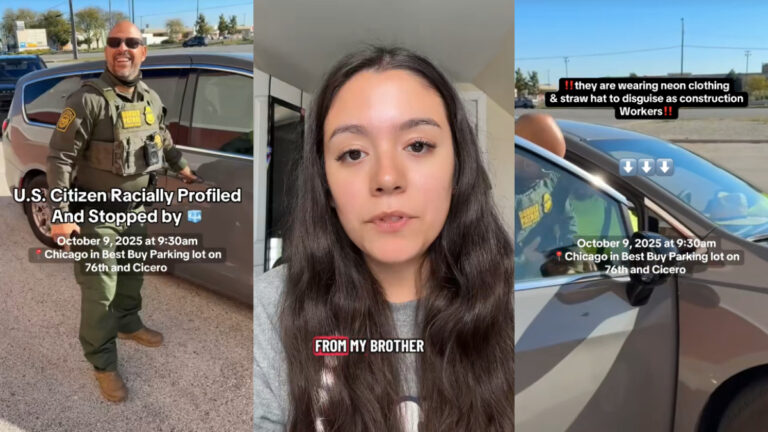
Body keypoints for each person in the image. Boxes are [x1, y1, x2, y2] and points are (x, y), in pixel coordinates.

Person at [254, 46, 515, 432]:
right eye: (354, 153)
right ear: (325, 184)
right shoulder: (271, 306)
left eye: (418, 145)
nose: (387, 177)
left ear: (458, 167)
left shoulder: (518, 299)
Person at [46, 20, 196, 402]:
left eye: (132, 42)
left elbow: (162, 138)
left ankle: (129, 324)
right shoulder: (87, 99)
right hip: (97, 217)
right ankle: (102, 362)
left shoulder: (150, 99)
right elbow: (60, 157)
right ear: (106, 51)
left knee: (131, 278)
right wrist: (61, 213)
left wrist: (180, 166)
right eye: (115, 42)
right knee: (100, 292)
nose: (122, 48)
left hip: (136, 212)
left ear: (143, 51)